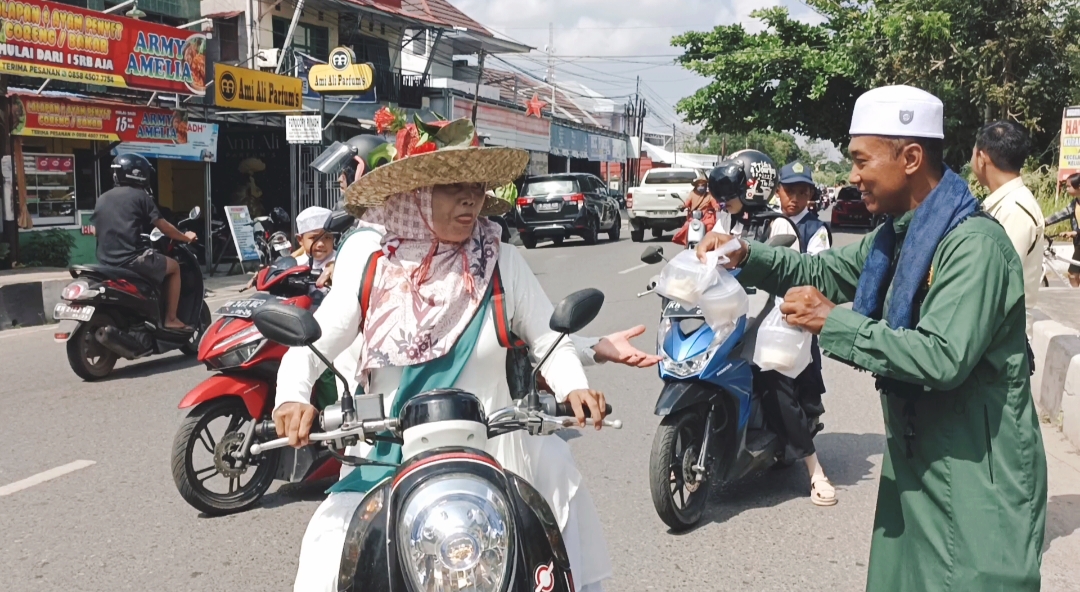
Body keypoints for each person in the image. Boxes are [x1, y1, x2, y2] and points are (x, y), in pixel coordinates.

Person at [697, 85, 1046, 591]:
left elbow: (942, 357)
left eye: (861, 160)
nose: (853, 176)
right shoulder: (897, 236)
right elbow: (821, 270)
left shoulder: (974, 246)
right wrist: (746, 256)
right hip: (917, 459)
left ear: (910, 157)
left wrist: (831, 321)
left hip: (975, 475)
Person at [274, 116, 627, 591]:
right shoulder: (374, 263)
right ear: (418, 194)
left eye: (477, 188)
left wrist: (574, 389)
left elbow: (548, 339)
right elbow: (315, 341)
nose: (470, 199)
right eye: (452, 187)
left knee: (560, 476)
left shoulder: (499, 259)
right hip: (386, 457)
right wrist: (292, 398)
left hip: (495, 453)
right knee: (326, 544)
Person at [763, 160, 836, 506]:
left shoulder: (815, 230)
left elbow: (817, 271)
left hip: (794, 320)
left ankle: (814, 470)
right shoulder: (761, 221)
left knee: (782, 385)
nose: (793, 198)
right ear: (777, 191)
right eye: (788, 190)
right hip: (758, 315)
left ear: (810, 195)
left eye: (801, 192)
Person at [92, 153, 197, 330]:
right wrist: (186, 237)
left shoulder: (102, 198)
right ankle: (171, 319)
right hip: (131, 260)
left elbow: (96, 231)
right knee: (174, 267)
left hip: (106, 262)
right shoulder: (141, 197)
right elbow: (164, 227)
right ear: (140, 174)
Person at [972, 121, 1044, 334]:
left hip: (1001, 341)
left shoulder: (1015, 210)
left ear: (982, 158)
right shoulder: (1004, 203)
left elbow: (995, 282)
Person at [1045, 173, 1080, 287]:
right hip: (1078, 242)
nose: (1066, 189)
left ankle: (1075, 297)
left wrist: (1075, 232)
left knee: (1073, 274)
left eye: (1069, 186)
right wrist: (1042, 222)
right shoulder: (1075, 204)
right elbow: (1061, 215)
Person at [292, 206, 337, 289]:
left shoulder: (340, 261)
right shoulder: (296, 264)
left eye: (327, 237)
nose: (321, 244)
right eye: (314, 238)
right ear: (300, 239)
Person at [672, 177, 719, 245]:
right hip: (693, 217)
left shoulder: (709, 195)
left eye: (703, 185)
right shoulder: (692, 194)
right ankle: (687, 243)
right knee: (687, 226)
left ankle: (709, 244)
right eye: (699, 185)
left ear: (706, 186)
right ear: (696, 185)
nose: (701, 187)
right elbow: (687, 203)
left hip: (706, 216)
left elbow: (714, 204)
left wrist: (716, 207)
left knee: (709, 226)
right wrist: (683, 206)